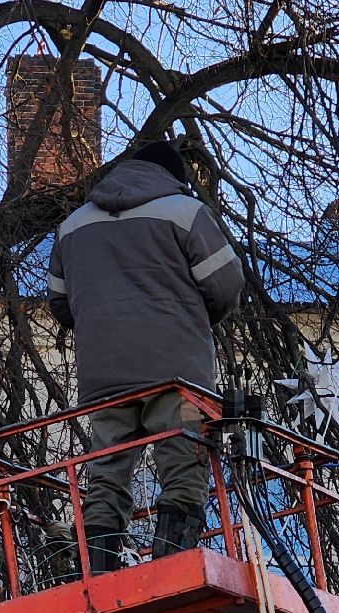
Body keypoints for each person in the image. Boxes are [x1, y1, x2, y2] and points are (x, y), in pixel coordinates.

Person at [46, 139, 245, 572]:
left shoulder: (72, 226)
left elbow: (60, 303)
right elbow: (227, 283)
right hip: (180, 375)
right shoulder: (184, 211)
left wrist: (102, 326)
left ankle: (99, 568)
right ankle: (175, 564)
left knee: (107, 471)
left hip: (105, 378)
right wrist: (195, 318)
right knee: (185, 459)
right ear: (174, 177)